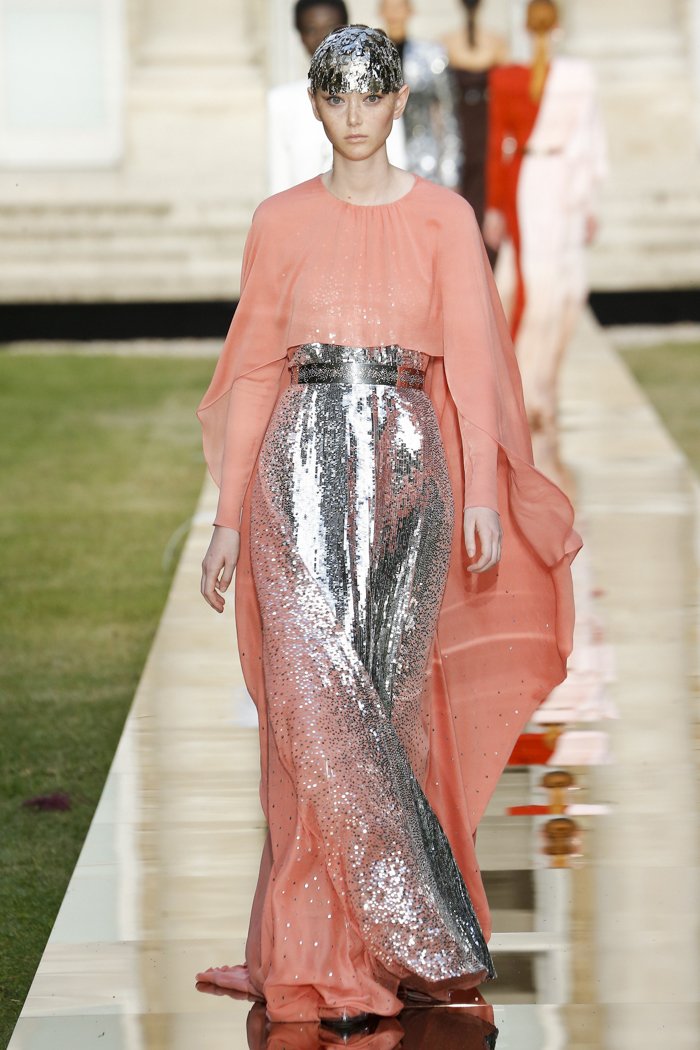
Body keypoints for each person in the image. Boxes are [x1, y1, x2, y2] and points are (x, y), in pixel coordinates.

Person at [195, 24, 580, 1027]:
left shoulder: (443, 220)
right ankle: (319, 955)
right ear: (315, 105)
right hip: (296, 467)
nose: (356, 114)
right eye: (338, 97)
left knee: (387, 701)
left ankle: (387, 940)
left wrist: (485, 496)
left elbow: (474, 363)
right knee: (311, 701)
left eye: (373, 95)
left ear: (401, 103)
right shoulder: (280, 220)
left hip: (410, 470)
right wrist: (228, 519)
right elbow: (253, 375)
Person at [483, 0, 607, 448]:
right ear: (558, 27)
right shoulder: (548, 77)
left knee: (553, 289)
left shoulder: (552, 77)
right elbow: (591, 140)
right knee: (543, 290)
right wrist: (590, 200)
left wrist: (495, 206)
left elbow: (500, 143)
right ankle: (531, 392)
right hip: (548, 186)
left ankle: (538, 389)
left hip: (544, 182)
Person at [268, 0, 405, 193]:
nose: (322, 38)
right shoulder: (281, 101)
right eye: (311, 29)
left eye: (331, 28)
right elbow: (279, 177)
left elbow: (397, 162)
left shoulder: (379, 90)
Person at [444, 0, 508, 239]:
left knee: (485, 186)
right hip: (459, 127)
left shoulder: (496, 43)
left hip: (485, 126)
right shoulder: (447, 43)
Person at [379, 0, 461, 188]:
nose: (394, 13)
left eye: (399, 7)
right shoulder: (371, 58)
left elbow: (448, 114)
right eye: (388, 7)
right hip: (384, 158)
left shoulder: (431, 55)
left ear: (410, 11)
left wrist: (451, 170)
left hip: (426, 159)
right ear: (381, 11)